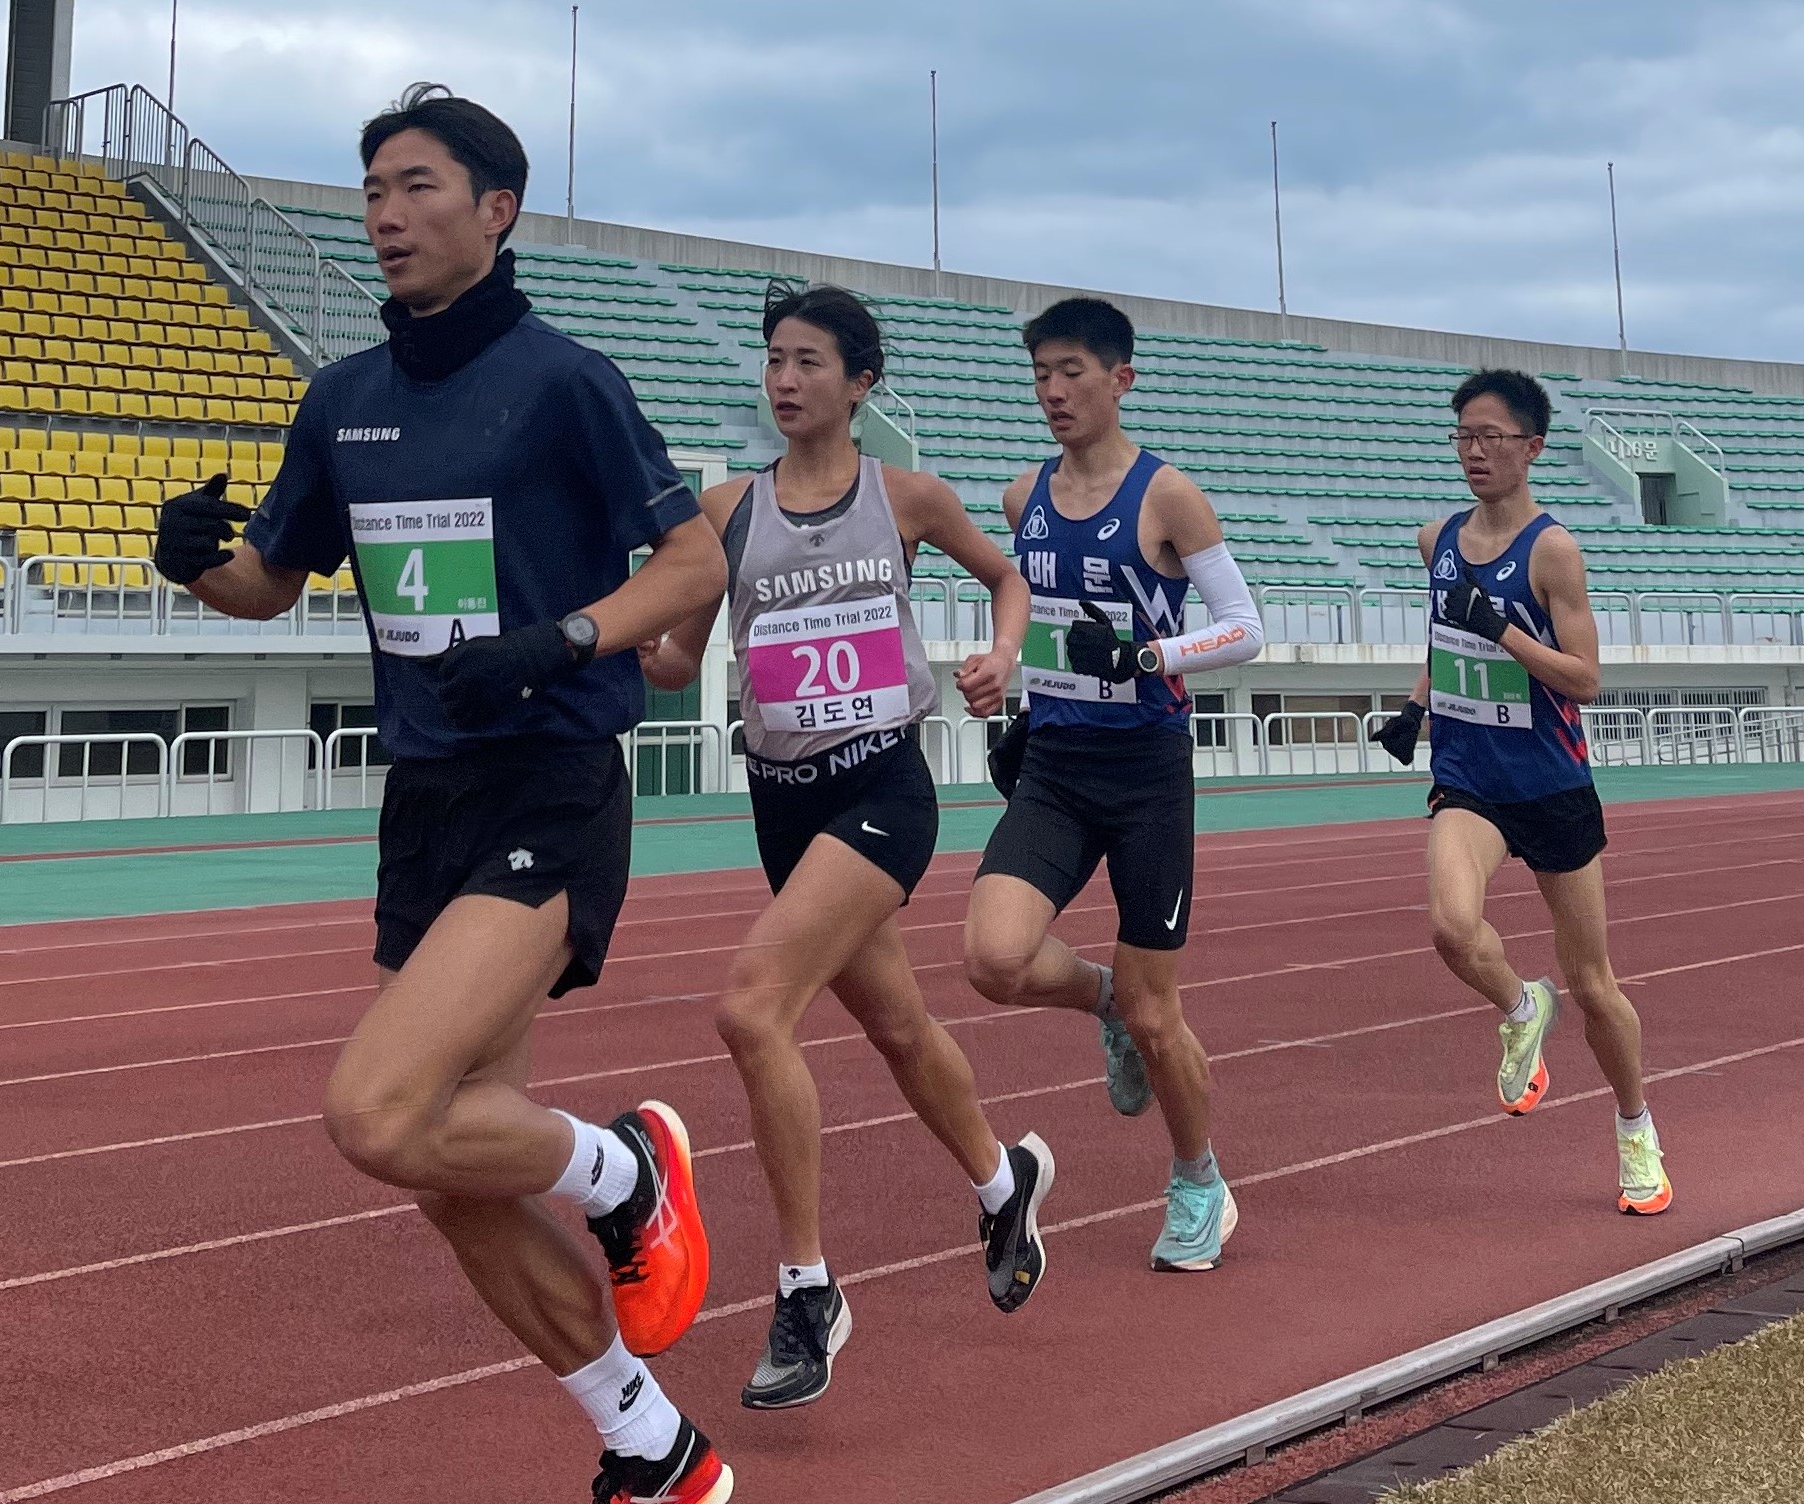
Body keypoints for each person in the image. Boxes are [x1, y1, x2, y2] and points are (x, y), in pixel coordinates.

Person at [152, 84, 735, 1503]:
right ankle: (650, 1445)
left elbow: (691, 569)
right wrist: (189, 562)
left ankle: (621, 1175)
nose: (386, 217)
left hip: (547, 783)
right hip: (424, 802)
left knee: (375, 1111)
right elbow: (270, 584)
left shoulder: (565, 383)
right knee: (444, 1169)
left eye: (416, 187)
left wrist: (561, 637)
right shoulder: (342, 401)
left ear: (496, 208)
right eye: (370, 193)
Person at [640, 283, 1051, 1410]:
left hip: (881, 787)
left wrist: (1000, 655)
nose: (783, 380)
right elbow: (677, 658)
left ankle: (807, 1288)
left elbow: (1006, 575)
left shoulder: (908, 497)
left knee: (750, 1004)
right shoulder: (725, 509)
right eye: (772, 359)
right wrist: (601, 645)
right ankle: (998, 1178)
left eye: (808, 361)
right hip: (780, 799)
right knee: (897, 1024)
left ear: (860, 382)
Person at [962, 297, 1264, 1274]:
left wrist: (1145, 654)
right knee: (991, 959)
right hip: (1052, 765)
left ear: (1119, 378)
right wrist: (1005, 666)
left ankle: (1195, 1179)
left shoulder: (1165, 496)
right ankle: (1097, 998)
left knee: (1157, 1010)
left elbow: (1243, 627)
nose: (1052, 390)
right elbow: (1028, 609)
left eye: (1072, 372)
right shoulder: (1022, 498)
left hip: (1143, 776)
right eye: (1040, 373)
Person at [1369, 368, 1670, 1216]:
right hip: (1469, 781)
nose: (1473, 450)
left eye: (1491, 436)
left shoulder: (1552, 550)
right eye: (1462, 433)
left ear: (1531, 447)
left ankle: (1634, 1124)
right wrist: (1415, 707)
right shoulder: (1436, 540)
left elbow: (1586, 679)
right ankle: (1517, 1002)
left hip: (1552, 785)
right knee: (1451, 928)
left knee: (1595, 985)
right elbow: (1442, 635)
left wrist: (1497, 623)